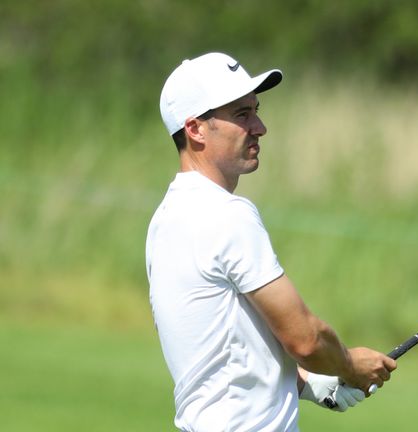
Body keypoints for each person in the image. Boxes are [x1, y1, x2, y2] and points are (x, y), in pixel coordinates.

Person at [146, 52, 396, 431]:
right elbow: (307, 340)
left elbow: (227, 350)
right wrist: (349, 365)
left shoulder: (167, 218)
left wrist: (310, 383)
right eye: (242, 115)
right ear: (195, 129)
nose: (260, 127)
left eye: (256, 111)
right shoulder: (227, 214)